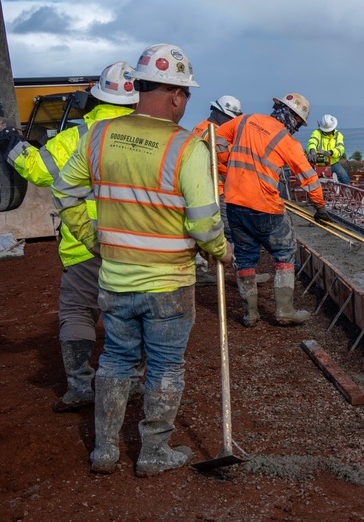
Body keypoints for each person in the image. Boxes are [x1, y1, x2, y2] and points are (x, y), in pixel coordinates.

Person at [53, 43, 232, 477]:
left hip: (115, 279)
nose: (185, 103)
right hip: (169, 283)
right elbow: (205, 223)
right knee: (166, 365)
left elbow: (65, 190)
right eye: (186, 94)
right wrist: (219, 250)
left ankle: (105, 451)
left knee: (115, 359)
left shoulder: (98, 137)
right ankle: (153, 451)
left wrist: (90, 235)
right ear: (174, 95)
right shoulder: (186, 148)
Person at [0, 62, 138, 412]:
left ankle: (81, 386)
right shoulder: (148, 137)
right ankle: (131, 382)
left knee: (78, 312)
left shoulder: (77, 137)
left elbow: (39, 172)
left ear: (96, 97)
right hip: (137, 243)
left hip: (85, 243)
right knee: (132, 313)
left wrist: (8, 138)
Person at [216, 92, 328, 327]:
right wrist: (320, 208)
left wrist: (227, 161)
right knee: (285, 252)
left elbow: (215, 138)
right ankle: (284, 312)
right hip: (266, 207)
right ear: (294, 119)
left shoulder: (245, 120)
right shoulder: (287, 141)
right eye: (298, 123)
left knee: (245, 257)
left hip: (234, 202)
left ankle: (251, 315)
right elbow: (309, 178)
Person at [191, 95, 243, 286]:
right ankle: (244, 272)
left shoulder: (200, 127)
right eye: (230, 118)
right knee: (230, 230)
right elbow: (224, 160)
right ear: (219, 113)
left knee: (198, 229)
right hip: (213, 189)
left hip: (202, 187)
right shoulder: (213, 132)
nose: (231, 122)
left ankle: (200, 270)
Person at [306, 113, 350, 185]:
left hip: (333, 163)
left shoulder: (338, 135)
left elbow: (340, 149)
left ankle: (346, 194)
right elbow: (312, 141)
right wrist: (312, 150)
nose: (328, 132)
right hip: (318, 163)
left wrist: (331, 152)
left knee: (344, 178)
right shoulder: (317, 133)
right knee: (312, 182)